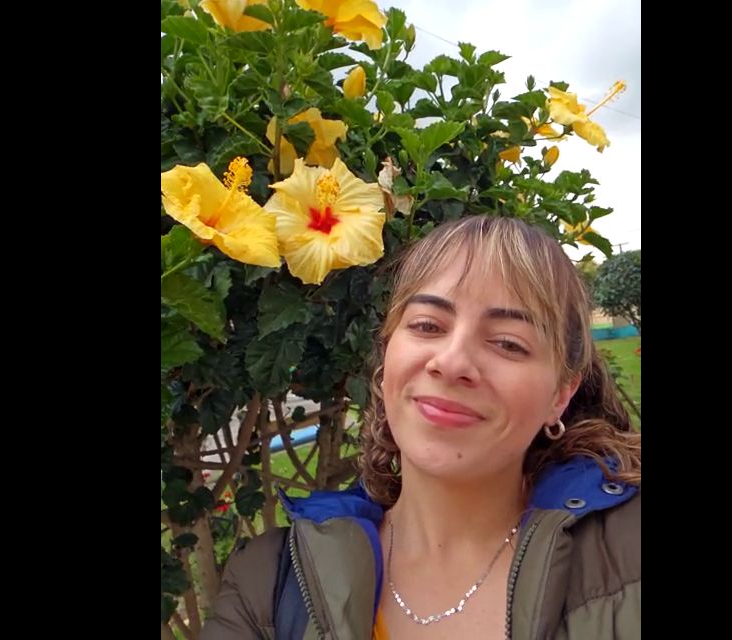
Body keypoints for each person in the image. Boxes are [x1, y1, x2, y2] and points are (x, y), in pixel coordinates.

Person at [201, 215, 641, 640]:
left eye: (508, 343)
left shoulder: (628, 550)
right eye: (427, 325)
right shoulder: (269, 586)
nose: (450, 362)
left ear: (561, 394)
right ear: (387, 353)